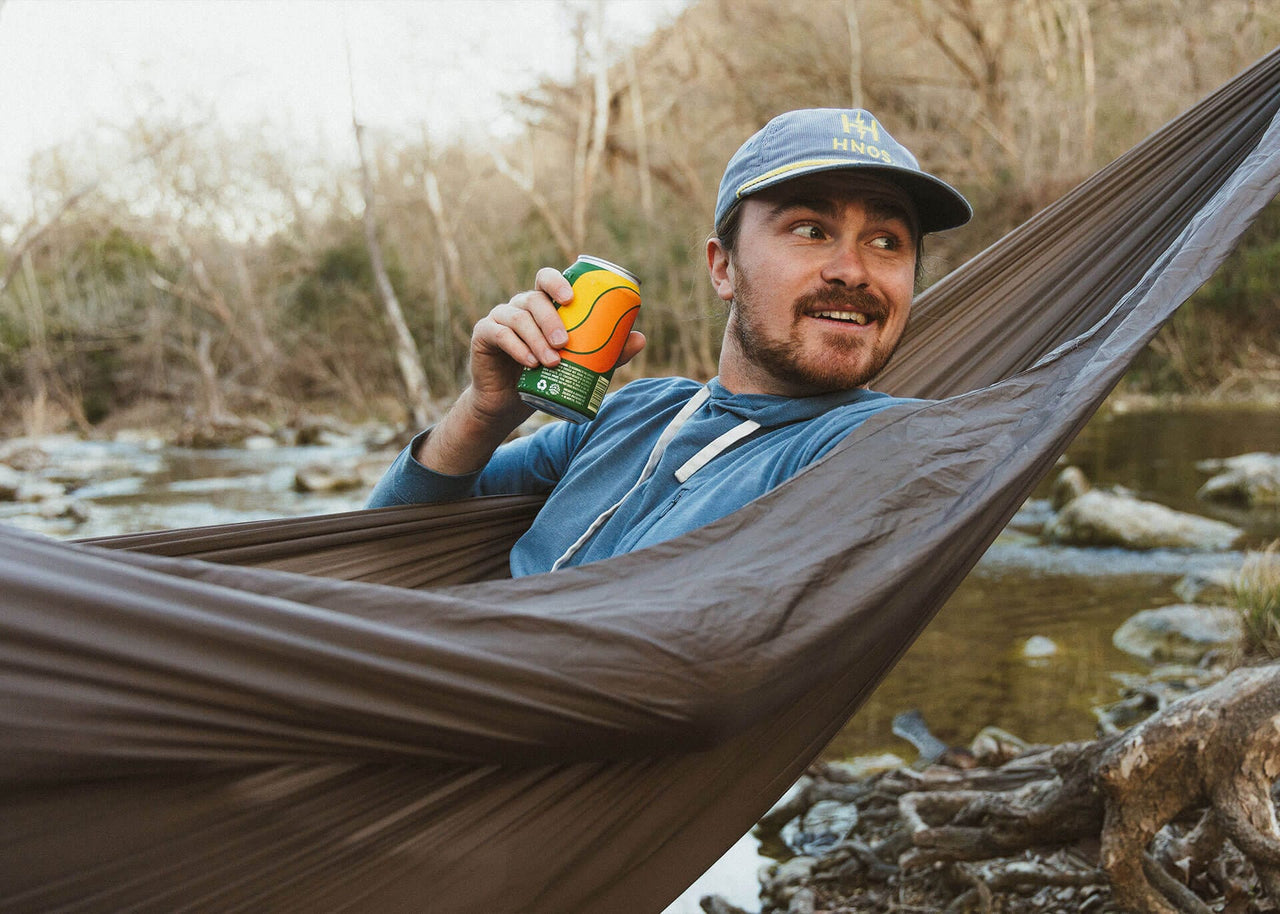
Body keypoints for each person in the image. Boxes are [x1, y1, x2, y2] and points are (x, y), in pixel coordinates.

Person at [366, 108, 972, 576]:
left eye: (887, 241)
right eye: (811, 230)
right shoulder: (628, 414)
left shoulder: (880, 442)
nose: (853, 269)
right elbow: (380, 550)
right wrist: (483, 413)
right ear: (722, 268)